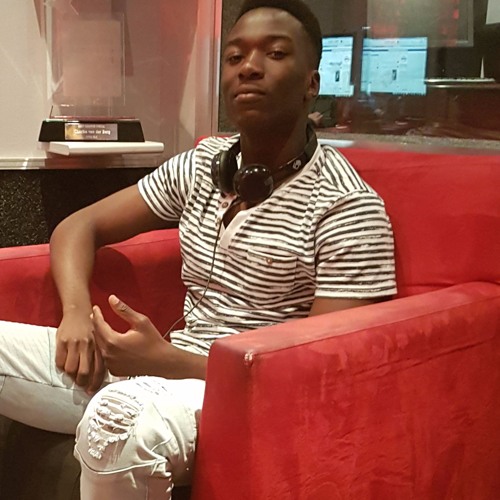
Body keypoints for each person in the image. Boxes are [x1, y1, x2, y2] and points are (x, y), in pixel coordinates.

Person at [0, 0, 396, 498]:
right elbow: (79, 226)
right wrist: (76, 314)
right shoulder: (206, 163)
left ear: (311, 83)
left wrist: (169, 362)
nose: (249, 67)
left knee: (116, 422)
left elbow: (319, 370)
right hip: (163, 366)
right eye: (234, 57)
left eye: (275, 53)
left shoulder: (347, 205)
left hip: (244, 391)